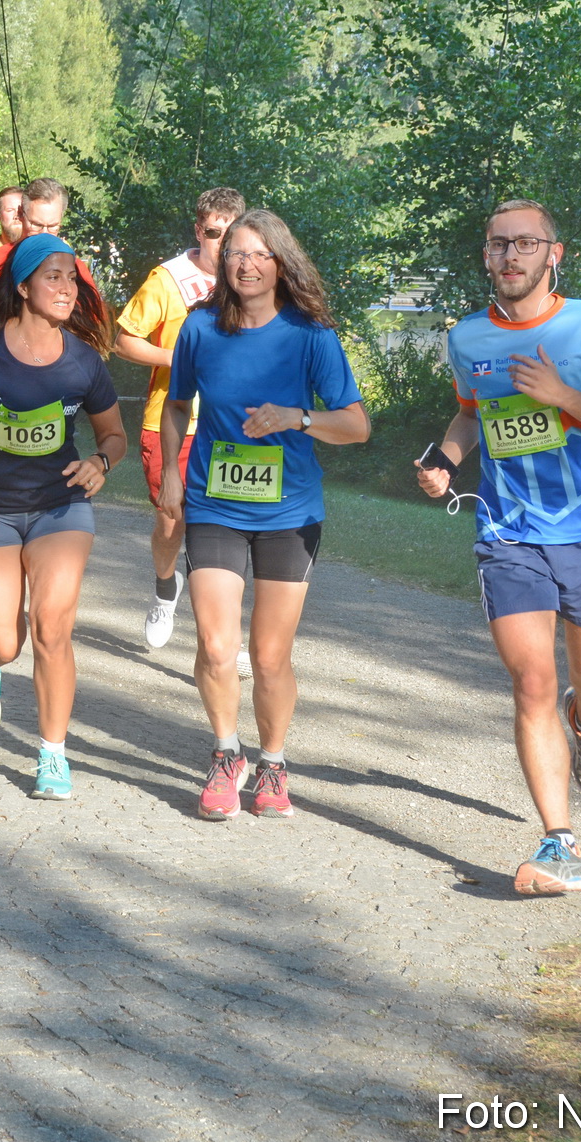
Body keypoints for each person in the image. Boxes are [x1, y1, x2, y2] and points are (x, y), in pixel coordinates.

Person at [415, 198, 581, 896]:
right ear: (485, 255)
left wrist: (562, 394)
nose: (510, 256)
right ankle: (560, 840)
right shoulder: (468, 339)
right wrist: (446, 459)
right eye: (497, 245)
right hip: (508, 533)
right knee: (531, 681)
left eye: (525, 244)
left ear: (555, 253)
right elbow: (470, 412)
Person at [159, 209, 369, 822]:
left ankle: (273, 762)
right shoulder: (200, 328)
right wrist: (172, 471)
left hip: (289, 511)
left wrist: (297, 417)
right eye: (234, 254)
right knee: (218, 647)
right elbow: (176, 405)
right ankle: (228, 754)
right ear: (222, 265)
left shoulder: (311, 336)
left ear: (281, 262)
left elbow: (355, 425)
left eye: (257, 254)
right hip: (214, 504)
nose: (244, 264)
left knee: (271, 656)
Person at [0, 233, 126, 800]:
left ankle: (52, 753)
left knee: (53, 626)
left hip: (60, 506)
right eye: (54, 277)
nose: (68, 288)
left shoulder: (83, 361)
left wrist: (101, 462)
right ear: (23, 286)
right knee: (7, 640)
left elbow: (114, 435)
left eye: (72, 278)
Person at [116, 187, 244, 651]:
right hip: (172, 420)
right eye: (213, 233)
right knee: (173, 520)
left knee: (228, 528)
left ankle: (227, 634)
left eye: (230, 235)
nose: (221, 245)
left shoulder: (253, 279)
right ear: (199, 230)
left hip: (232, 425)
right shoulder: (167, 279)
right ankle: (165, 589)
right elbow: (124, 339)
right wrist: (179, 358)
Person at [0, 179, 96, 335]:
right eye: (36, 225)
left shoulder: (75, 269)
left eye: (53, 226)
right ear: (20, 215)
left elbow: (91, 328)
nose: (44, 233)